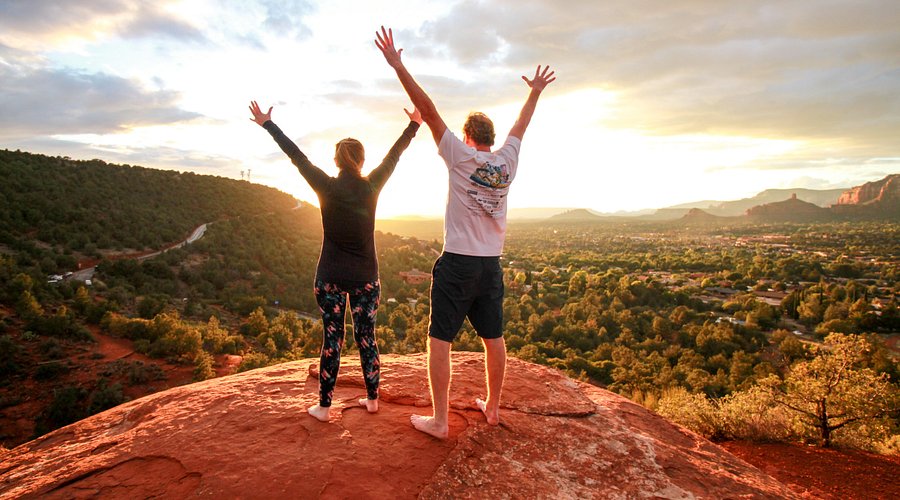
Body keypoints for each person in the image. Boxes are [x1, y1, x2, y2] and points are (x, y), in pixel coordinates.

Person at [374, 26, 555, 438]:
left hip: (457, 262)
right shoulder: (507, 160)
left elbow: (430, 110)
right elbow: (521, 126)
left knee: (440, 339)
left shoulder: (459, 155)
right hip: (491, 264)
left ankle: (439, 422)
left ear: (470, 137)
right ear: (492, 139)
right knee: (494, 337)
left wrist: (398, 66)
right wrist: (535, 92)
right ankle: (492, 407)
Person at [249, 100, 422, 422]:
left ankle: (324, 407)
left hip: (329, 275)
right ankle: (372, 400)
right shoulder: (371, 184)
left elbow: (297, 157)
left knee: (333, 337)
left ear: (336, 160)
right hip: (366, 277)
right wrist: (413, 125)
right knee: (366, 337)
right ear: (361, 160)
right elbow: (394, 156)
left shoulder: (325, 185)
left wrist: (268, 124)